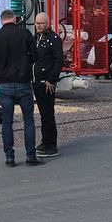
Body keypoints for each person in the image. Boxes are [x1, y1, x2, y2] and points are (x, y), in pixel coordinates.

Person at [0, 9, 42, 167]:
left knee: (7, 121)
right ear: (15, 19)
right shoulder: (25, 34)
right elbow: (35, 56)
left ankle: (9, 157)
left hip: (4, 84)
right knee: (28, 120)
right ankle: (31, 156)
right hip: (23, 83)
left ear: (1, 20)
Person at [32, 12, 64, 158]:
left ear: (48, 23)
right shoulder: (36, 38)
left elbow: (59, 60)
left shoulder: (53, 39)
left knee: (47, 114)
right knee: (43, 114)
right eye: (37, 23)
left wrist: (52, 79)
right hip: (36, 81)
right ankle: (45, 141)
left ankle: (51, 144)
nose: (39, 25)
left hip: (47, 82)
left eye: (42, 23)